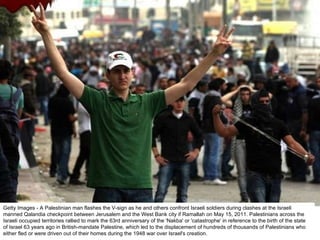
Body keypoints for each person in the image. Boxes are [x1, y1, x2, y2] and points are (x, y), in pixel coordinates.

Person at [30, 3, 233, 202]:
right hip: (107, 187)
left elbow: (187, 84)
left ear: (133, 74)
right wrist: (46, 34)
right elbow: (63, 73)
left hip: (140, 187)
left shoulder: (148, 102)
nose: (122, 76)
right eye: (117, 71)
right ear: (107, 74)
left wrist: (213, 54)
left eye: (126, 70)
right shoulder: (97, 100)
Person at [213, 89, 314, 202]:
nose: (265, 105)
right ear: (255, 104)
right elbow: (223, 132)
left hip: (275, 174)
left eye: (267, 102)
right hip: (255, 174)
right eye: (262, 102)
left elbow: (292, 143)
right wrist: (215, 115)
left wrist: (306, 155)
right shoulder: (247, 122)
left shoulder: (278, 123)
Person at [152, 96, 203, 202]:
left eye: (181, 101)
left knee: (183, 194)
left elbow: (199, 135)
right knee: (161, 192)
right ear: (172, 103)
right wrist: (156, 155)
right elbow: (151, 136)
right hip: (167, 159)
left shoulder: (188, 118)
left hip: (184, 159)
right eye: (176, 101)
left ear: (184, 103)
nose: (179, 104)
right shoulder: (163, 117)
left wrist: (195, 152)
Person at [0, 59, 24, 202]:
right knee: (10, 172)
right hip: (11, 140)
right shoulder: (17, 93)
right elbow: (18, 118)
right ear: (10, 74)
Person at [48, 84, 77, 184]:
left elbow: (49, 115)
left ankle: (58, 171)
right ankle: (62, 175)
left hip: (55, 129)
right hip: (65, 130)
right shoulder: (68, 102)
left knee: (57, 152)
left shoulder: (52, 100)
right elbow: (71, 118)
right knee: (65, 153)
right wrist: (77, 118)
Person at [201, 78, 228, 185]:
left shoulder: (207, 97)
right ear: (220, 86)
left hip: (206, 128)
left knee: (208, 152)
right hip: (214, 128)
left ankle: (207, 176)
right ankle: (213, 176)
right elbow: (219, 114)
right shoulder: (216, 98)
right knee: (214, 153)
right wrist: (225, 121)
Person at [69, 101, 91, 185]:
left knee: (86, 155)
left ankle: (84, 174)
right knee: (84, 154)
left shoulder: (81, 104)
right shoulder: (84, 104)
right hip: (87, 131)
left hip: (85, 131)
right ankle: (75, 175)